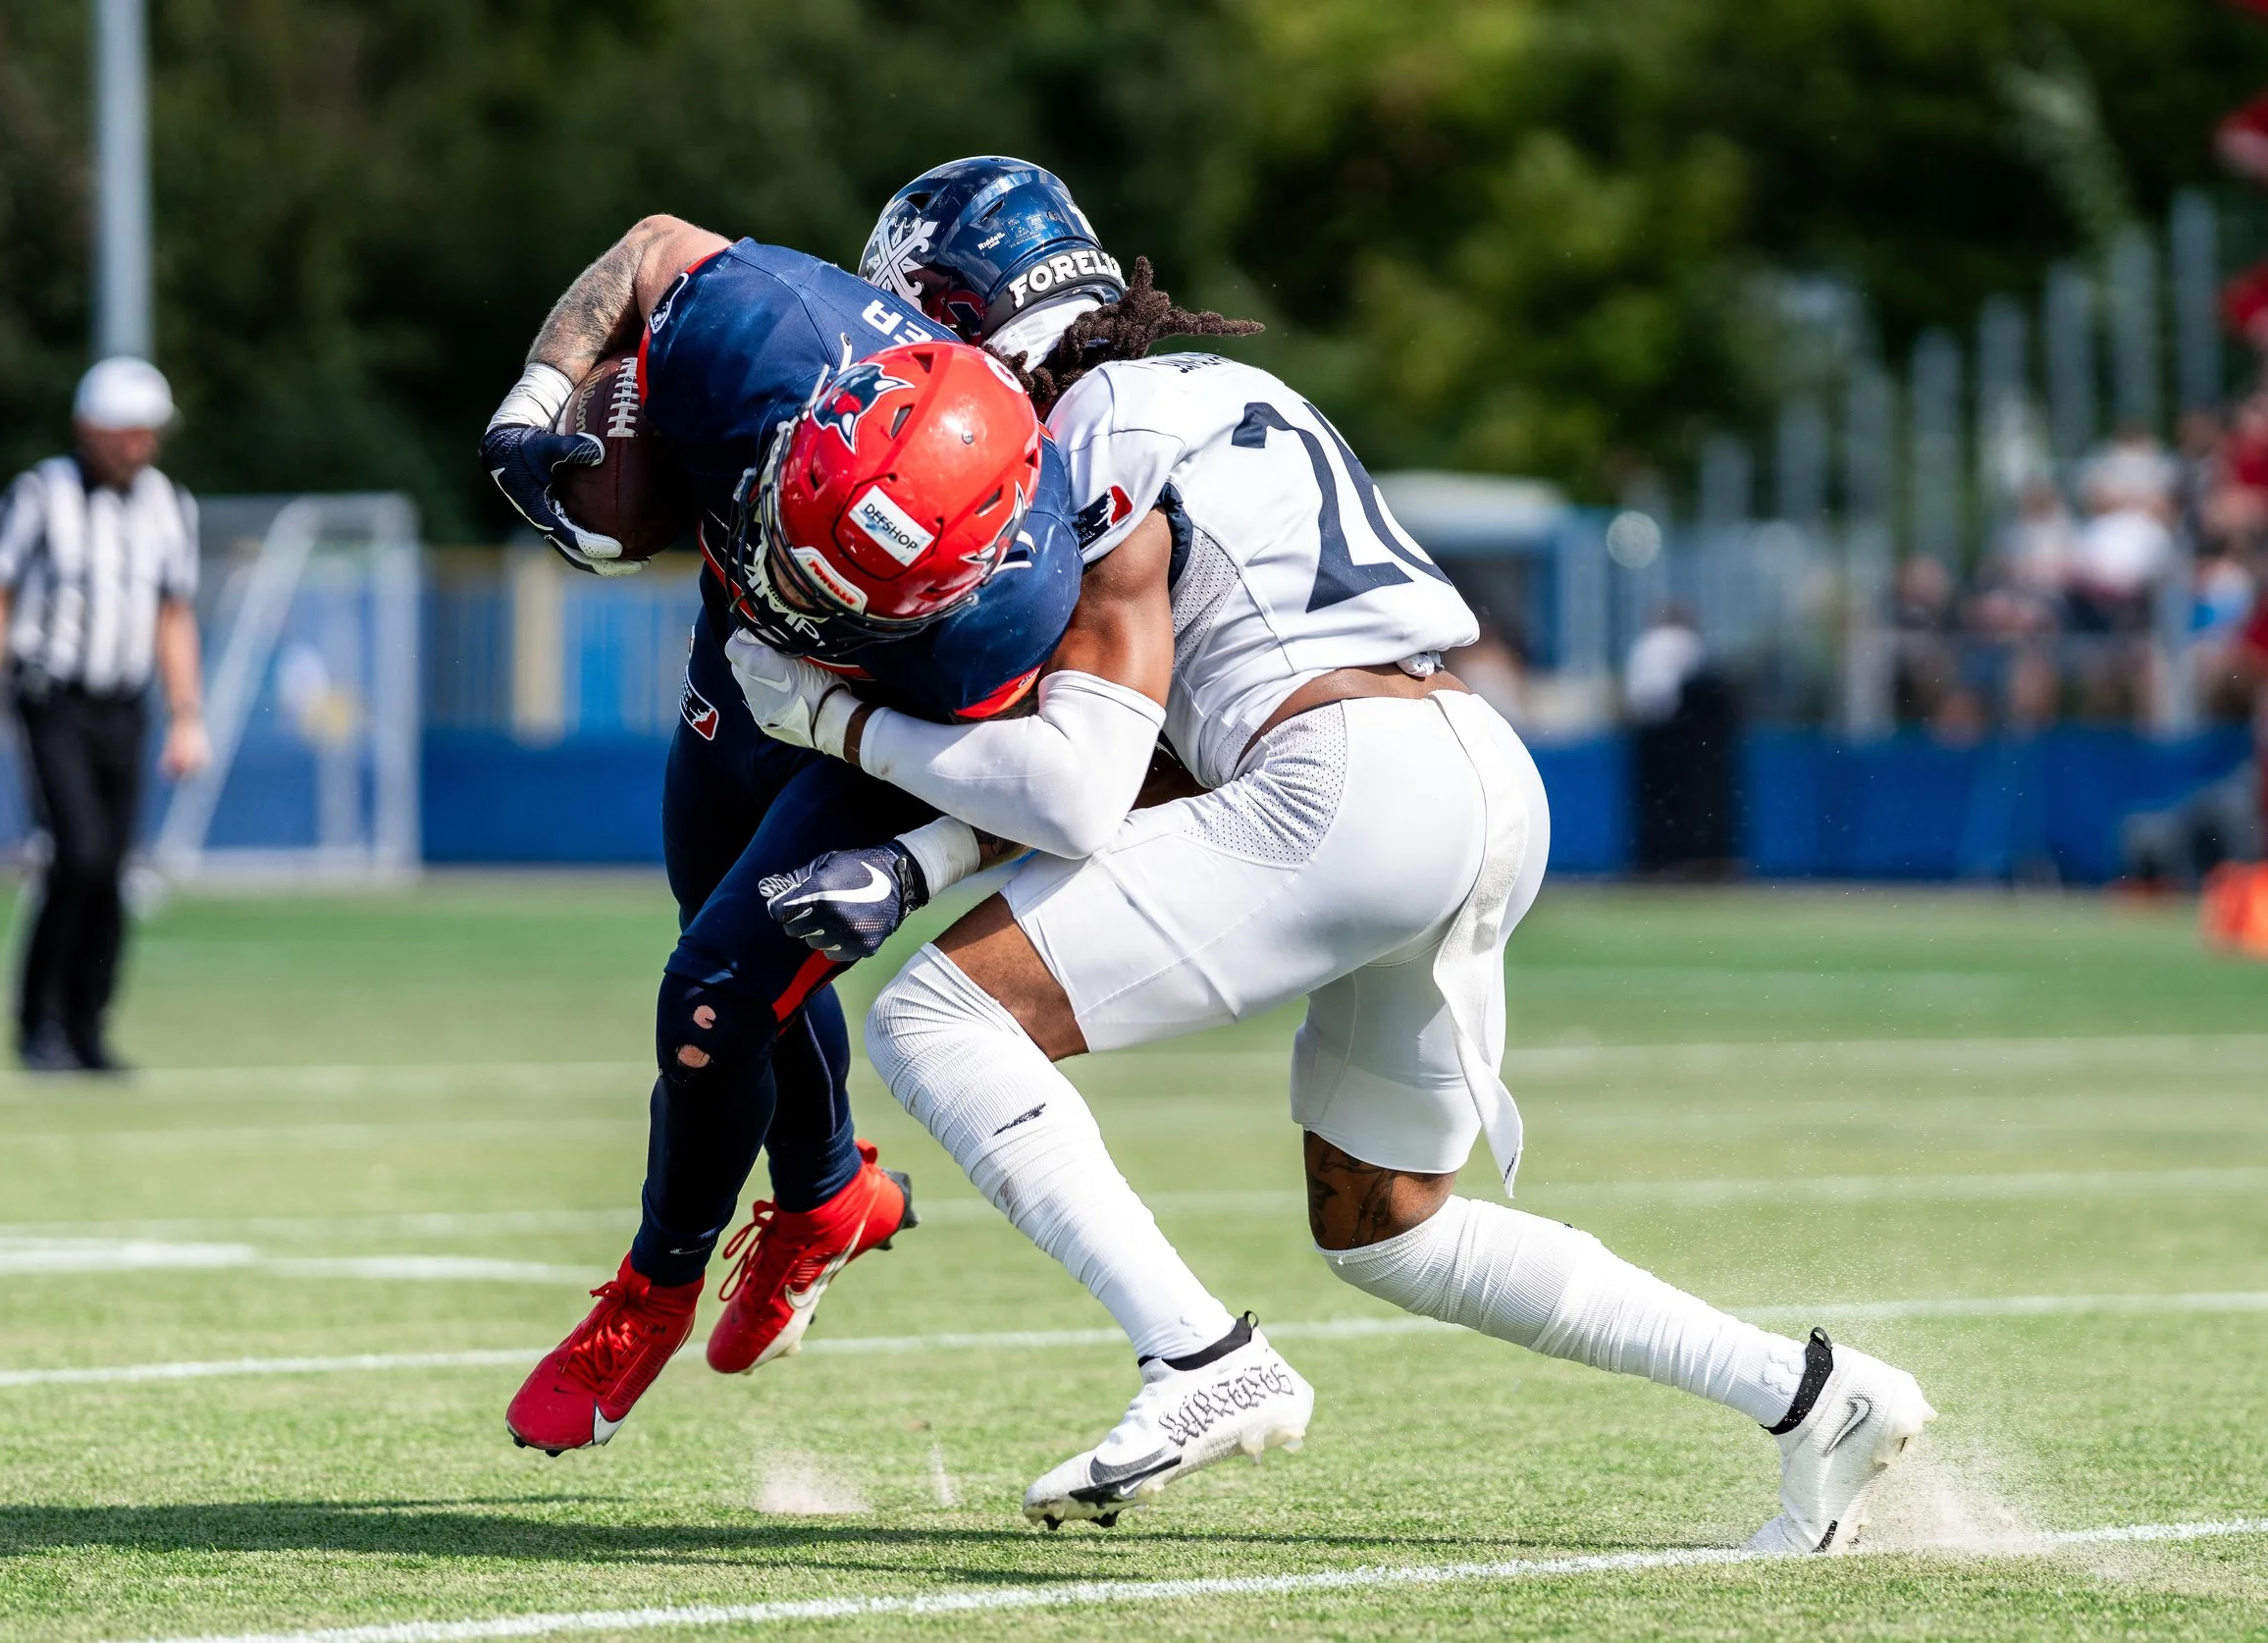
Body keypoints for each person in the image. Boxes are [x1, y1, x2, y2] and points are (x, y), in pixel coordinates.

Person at [730, 186, 1934, 1551]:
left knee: (937, 1016)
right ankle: (1814, 1398)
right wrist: (921, 851)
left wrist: (830, 720)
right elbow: (1150, 757)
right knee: (1390, 1224)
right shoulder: (1225, 383)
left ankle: (1197, 1354)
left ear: (953, 311)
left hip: (1344, 779)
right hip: (1467, 762)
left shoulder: (1079, 435)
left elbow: (1079, 780)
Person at [476, 170, 1254, 1456]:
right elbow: (654, 247)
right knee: (726, 934)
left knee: (718, 994)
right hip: (747, 677)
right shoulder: (775, 338)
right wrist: (540, 399)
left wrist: (864, 751)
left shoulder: (1056, 565)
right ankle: (829, 1193)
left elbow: (1078, 786)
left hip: (896, 730)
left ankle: (654, 1288)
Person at [0, 357, 209, 1074]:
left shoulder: (169, 505)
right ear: (89, 429)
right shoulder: (41, 495)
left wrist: (187, 714)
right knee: (79, 852)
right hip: (51, 697)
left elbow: (173, 615)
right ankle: (41, 1025)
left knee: (112, 867)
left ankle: (88, 1028)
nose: (139, 445)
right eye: (126, 431)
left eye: (148, 432)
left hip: (125, 704)